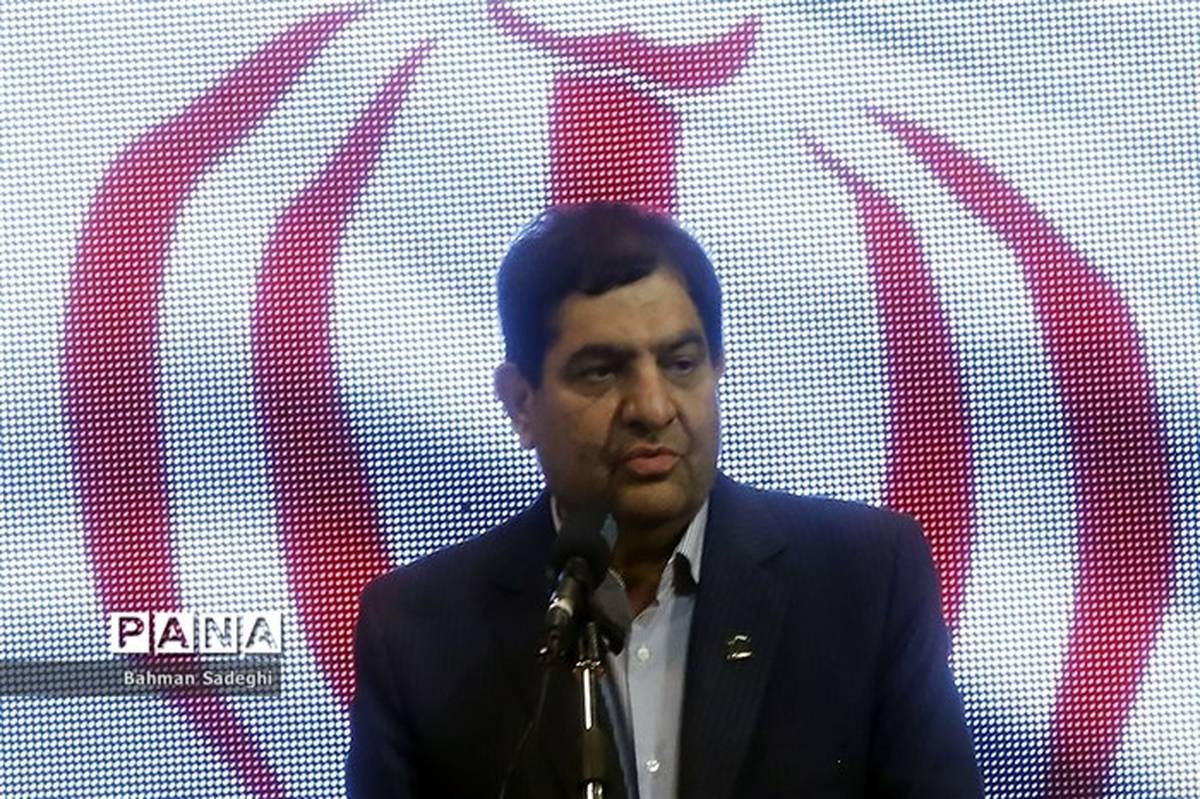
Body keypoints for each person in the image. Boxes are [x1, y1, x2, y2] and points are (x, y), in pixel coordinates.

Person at [346, 202, 982, 798]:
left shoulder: (864, 578)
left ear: (717, 369)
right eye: (601, 371)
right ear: (520, 403)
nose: (652, 408)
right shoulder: (419, 634)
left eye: (680, 363)